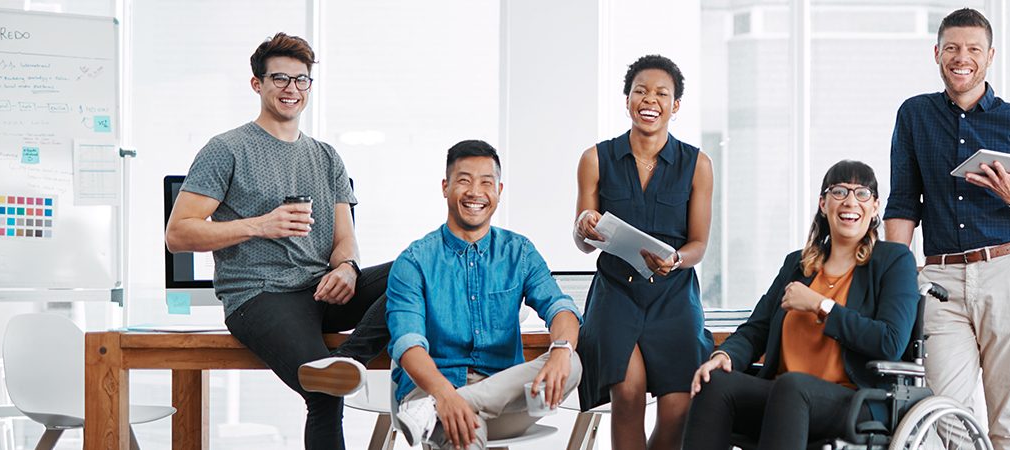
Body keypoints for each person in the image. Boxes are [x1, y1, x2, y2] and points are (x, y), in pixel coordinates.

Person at [164, 32, 392, 449]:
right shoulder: (226, 149)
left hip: (320, 291)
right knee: (324, 395)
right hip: (259, 296)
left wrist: (347, 268)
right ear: (258, 84)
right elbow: (178, 234)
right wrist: (260, 225)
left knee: (417, 269)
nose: (292, 89)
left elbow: (345, 239)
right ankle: (334, 373)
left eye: (301, 79)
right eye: (280, 79)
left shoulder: (327, 157)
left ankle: (349, 361)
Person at [882, 8, 1010, 449]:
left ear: (990, 56)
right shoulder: (915, 115)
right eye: (952, 48)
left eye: (973, 49)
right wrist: (898, 275)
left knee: (1008, 419)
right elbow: (903, 201)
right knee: (944, 411)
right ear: (937, 54)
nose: (961, 58)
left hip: (1007, 272)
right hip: (941, 280)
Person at [683, 160, 920, 449]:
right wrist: (726, 355)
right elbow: (757, 329)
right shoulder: (797, 264)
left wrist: (821, 305)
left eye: (862, 193)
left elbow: (890, 342)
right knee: (715, 382)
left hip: (853, 398)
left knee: (792, 386)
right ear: (823, 204)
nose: (850, 201)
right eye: (839, 192)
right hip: (784, 392)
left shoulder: (894, 261)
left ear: (875, 207)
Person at [387, 140, 583, 449]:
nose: (475, 192)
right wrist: (444, 395)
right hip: (435, 388)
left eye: (486, 183)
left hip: (501, 397)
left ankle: (438, 408)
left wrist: (560, 349)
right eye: (464, 180)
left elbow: (560, 308)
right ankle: (442, 405)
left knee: (572, 362)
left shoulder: (519, 252)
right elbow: (408, 344)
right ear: (445, 187)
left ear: (499, 191)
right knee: (464, 434)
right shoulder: (414, 261)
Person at [572, 54, 714, 450]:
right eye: (641, 91)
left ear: (675, 105)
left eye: (661, 94)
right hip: (616, 293)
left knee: (679, 405)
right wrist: (584, 225)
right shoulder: (595, 158)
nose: (650, 100)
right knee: (628, 392)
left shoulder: (698, 164)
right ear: (627, 100)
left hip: (674, 295)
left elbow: (699, 244)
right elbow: (583, 242)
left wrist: (676, 259)